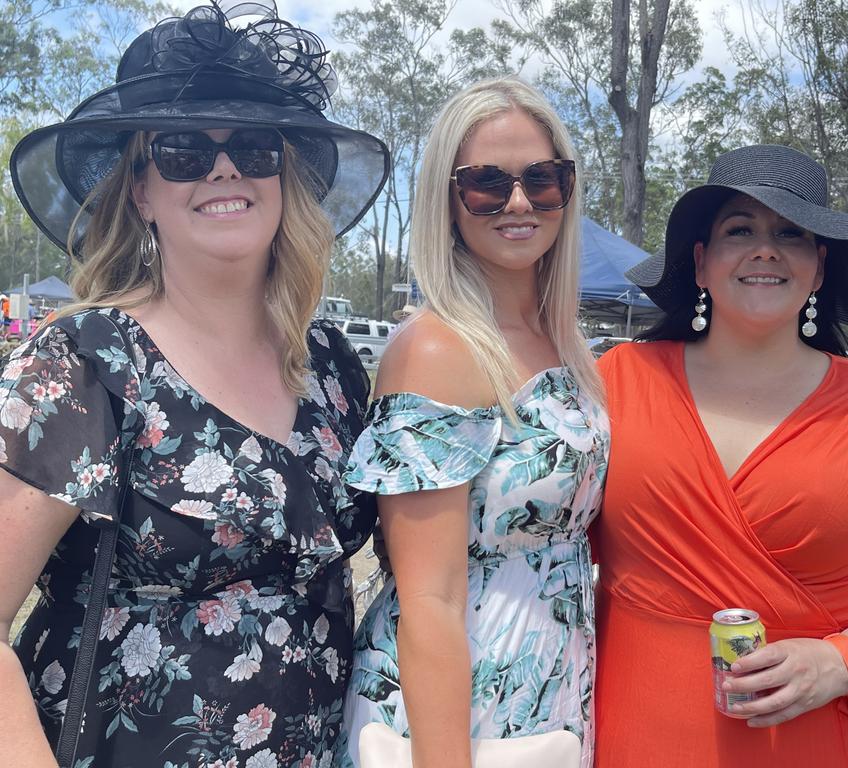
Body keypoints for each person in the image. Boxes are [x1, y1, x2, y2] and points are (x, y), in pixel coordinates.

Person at [0, 2, 389, 765]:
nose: (223, 169)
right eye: (182, 150)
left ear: (285, 177)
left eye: (252, 147)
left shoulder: (334, 368)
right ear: (140, 190)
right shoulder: (86, 363)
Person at [591, 144, 848, 767]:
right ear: (701, 263)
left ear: (818, 269)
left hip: (815, 734)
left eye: (791, 234)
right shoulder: (616, 381)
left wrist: (838, 662)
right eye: (741, 229)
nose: (765, 249)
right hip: (635, 725)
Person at [338, 77, 609, 768]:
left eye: (543, 180)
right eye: (486, 183)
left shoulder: (561, 342)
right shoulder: (437, 347)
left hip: (550, 685)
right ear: (447, 199)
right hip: (456, 709)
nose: (518, 202)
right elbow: (430, 594)